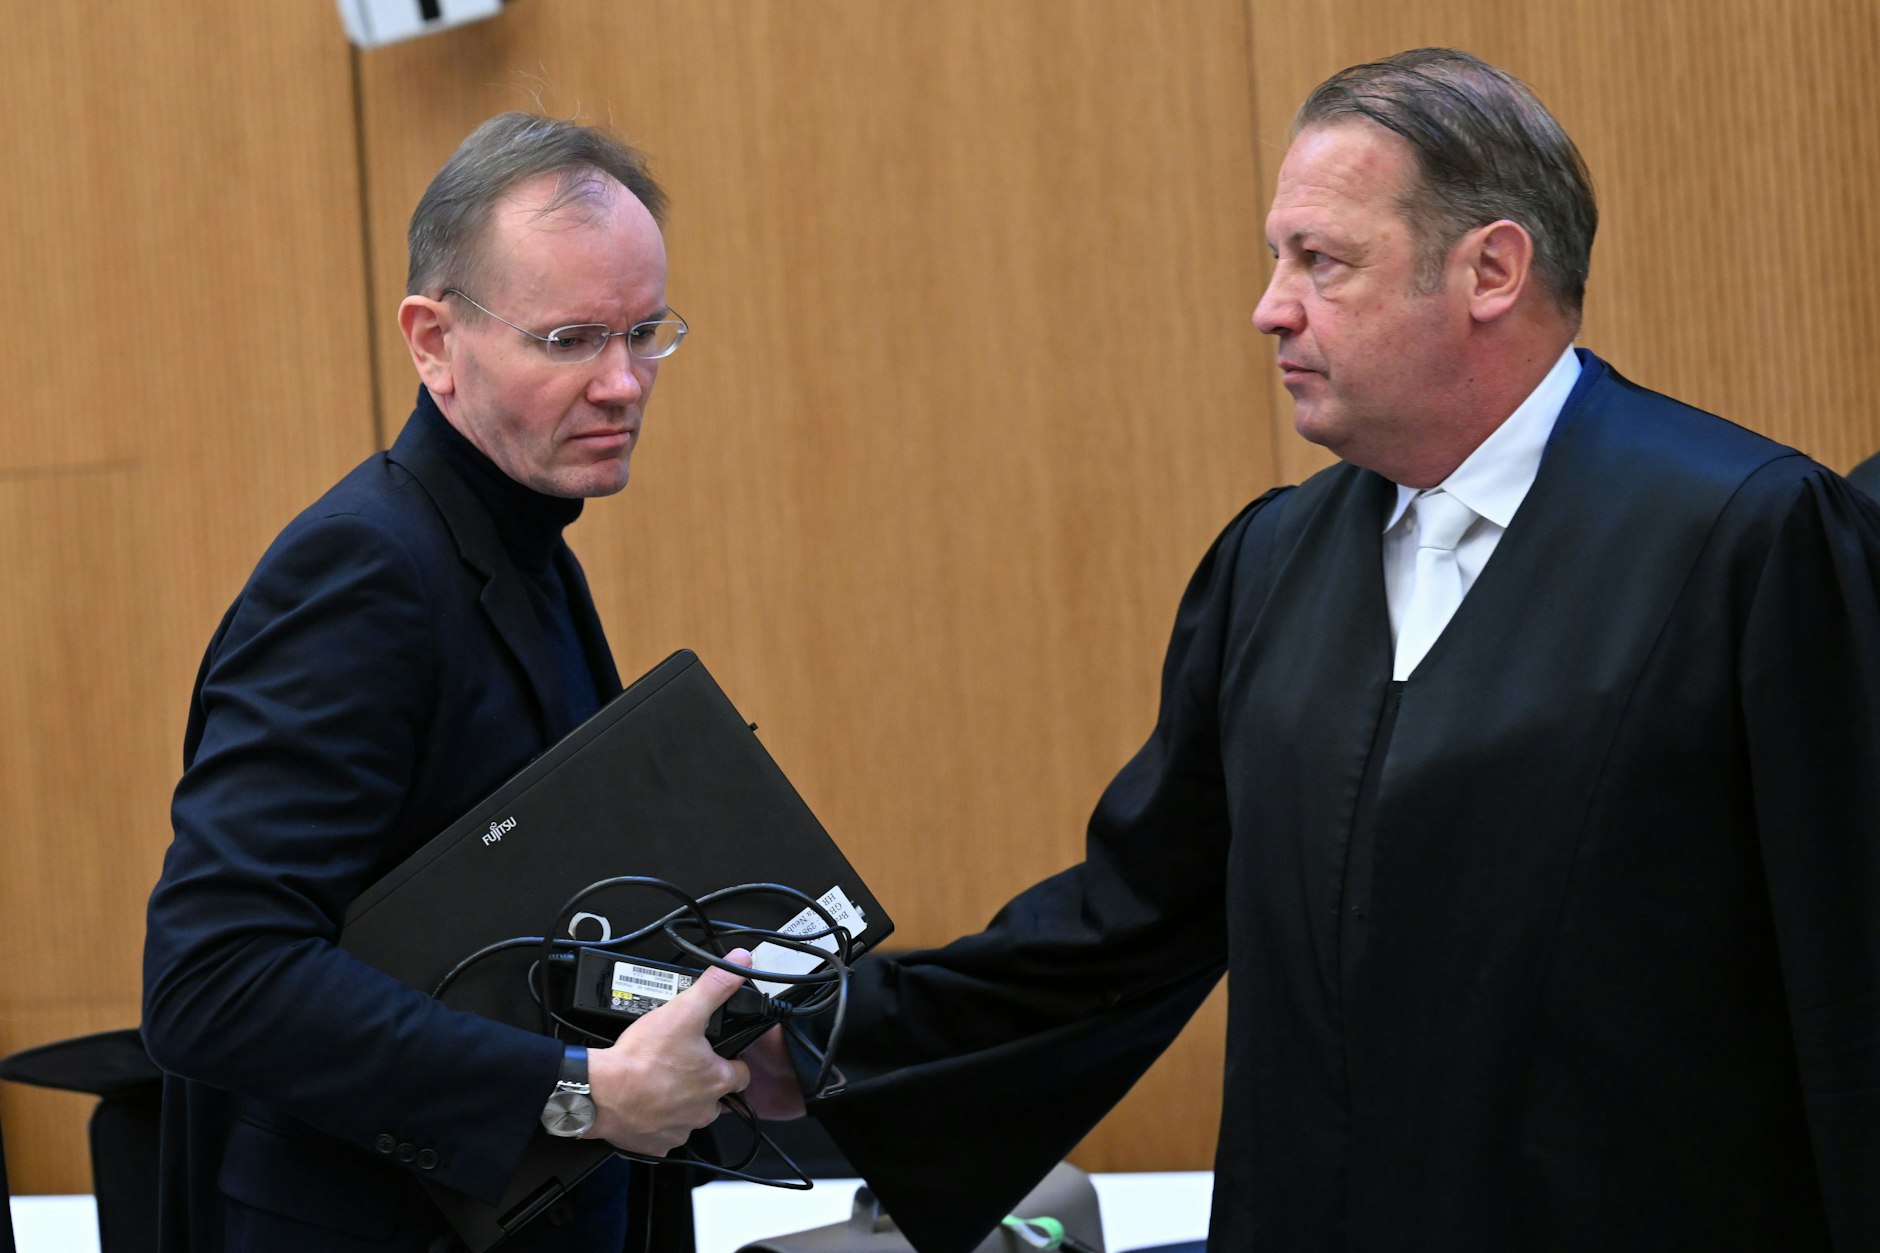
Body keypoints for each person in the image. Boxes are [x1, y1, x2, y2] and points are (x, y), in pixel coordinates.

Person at [768, 49, 1880, 1252]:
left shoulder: (1744, 538)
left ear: (1489, 270)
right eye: (1276, 258)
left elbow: (1851, 975)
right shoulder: (1271, 561)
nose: (1271, 306)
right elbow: (1125, 924)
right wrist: (819, 1031)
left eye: (1319, 260)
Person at [143, 114, 763, 1253]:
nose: (622, 382)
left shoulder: (523, 544)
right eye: (569, 338)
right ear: (434, 340)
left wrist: (716, 1029)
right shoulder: (365, 569)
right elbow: (215, 977)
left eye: (644, 332)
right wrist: (578, 1091)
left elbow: (515, 920)